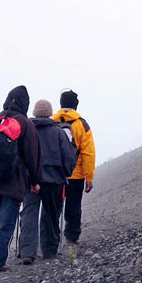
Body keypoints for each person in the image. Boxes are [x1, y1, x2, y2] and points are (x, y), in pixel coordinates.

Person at [18, 100, 77, 264]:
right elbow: (68, 156)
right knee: (51, 214)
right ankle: (49, 251)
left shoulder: (27, 130)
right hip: (54, 180)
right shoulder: (58, 132)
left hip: (30, 180)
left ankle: (27, 252)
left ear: (35, 112)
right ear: (50, 112)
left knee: (29, 213)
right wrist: (66, 172)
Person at [0, 86, 43, 271]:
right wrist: (35, 180)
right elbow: (33, 156)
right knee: (6, 223)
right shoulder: (25, 123)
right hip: (13, 182)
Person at [52, 89, 95, 245]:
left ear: (61, 103)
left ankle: (51, 238)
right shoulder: (81, 124)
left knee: (53, 207)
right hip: (75, 175)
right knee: (73, 206)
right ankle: (72, 237)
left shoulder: (52, 122)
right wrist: (89, 177)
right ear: (76, 105)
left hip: (54, 173)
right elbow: (88, 153)